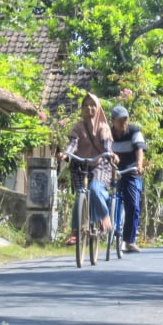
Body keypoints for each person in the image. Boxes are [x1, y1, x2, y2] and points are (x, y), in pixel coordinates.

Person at [58, 93, 115, 245]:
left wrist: (110, 155)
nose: (89, 108)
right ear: (81, 109)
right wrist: (66, 154)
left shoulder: (104, 127)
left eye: (92, 105)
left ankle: (104, 215)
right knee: (80, 195)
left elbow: (107, 146)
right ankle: (75, 232)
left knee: (95, 189)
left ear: (98, 108)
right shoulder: (78, 127)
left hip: (100, 166)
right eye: (85, 105)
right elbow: (73, 144)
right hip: (79, 165)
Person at [110, 105, 146, 253]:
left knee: (133, 205)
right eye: (120, 120)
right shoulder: (108, 133)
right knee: (99, 194)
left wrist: (139, 165)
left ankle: (129, 241)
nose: (124, 122)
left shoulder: (134, 132)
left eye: (125, 119)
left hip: (130, 171)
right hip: (112, 169)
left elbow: (139, 149)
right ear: (113, 120)